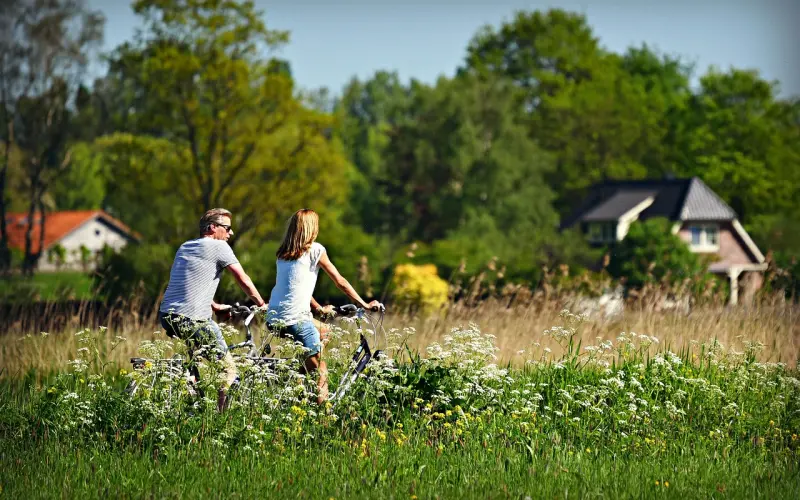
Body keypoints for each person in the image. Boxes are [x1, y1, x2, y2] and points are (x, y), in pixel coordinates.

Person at [267, 208, 383, 405]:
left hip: (274, 316)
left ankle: (298, 379)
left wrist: (318, 307)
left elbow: (295, 287)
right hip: (296, 319)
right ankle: (324, 419)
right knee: (321, 371)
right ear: (312, 229)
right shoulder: (316, 250)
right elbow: (340, 281)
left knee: (325, 331)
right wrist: (364, 304)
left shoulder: (283, 254)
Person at [159, 208, 266, 412]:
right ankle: (219, 420)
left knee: (194, 364)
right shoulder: (219, 247)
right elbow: (242, 278)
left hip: (167, 315)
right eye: (227, 228)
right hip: (193, 318)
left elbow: (188, 284)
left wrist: (214, 305)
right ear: (212, 228)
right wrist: (261, 304)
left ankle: (191, 404)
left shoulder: (185, 246)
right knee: (229, 370)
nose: (230, 233)